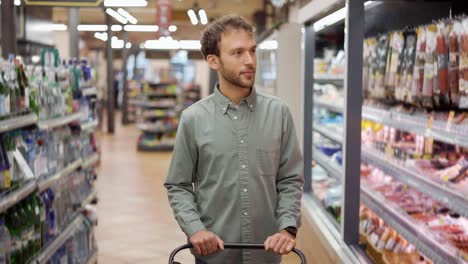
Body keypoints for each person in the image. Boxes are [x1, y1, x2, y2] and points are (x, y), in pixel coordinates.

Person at [164, 14, 304, 264]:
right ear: (213, 60)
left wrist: (287, 228)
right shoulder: (193, 119)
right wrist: (195, 228)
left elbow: (290, 179)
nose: (249, 61)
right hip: (214, 254)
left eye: (252, 51)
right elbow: (178, 185)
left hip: (266, 255)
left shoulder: (279, 113)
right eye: (237, 53)